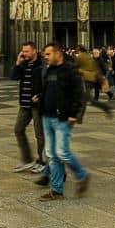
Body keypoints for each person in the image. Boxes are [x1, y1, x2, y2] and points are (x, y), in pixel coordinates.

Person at [39, 44, 90, 202]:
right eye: (44, 54)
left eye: (48, 54)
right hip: (47, 116)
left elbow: (80, 94)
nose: (45, 56)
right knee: (52, 155)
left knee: (62, 153)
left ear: (58, 53)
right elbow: (46, 90)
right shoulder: (48, 70)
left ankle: (82, 175)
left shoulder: (70, 70)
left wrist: (75, 114)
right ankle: (56, 190)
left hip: (62, 118)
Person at [11, 42, 45, 173]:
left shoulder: (42, 65)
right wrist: (18, 63)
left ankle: (42, 161)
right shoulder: (24, 64)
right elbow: (14, 77)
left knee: (40, 135)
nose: (23, 53)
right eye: (23, 51)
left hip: (37, 105)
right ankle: (27, 159)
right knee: (18, 129)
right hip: (24, 104)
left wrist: (41, 96)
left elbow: (47, 84)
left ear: (34, 51)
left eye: (26, 51)